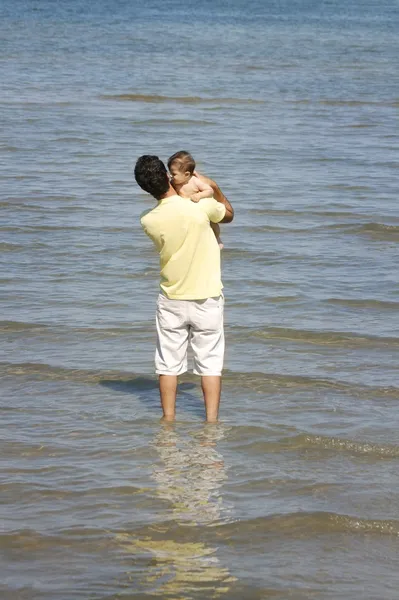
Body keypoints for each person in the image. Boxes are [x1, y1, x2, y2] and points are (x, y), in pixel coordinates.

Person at [134, 155, 234, 422]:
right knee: (210, 365)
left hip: (171, 298)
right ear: (169, 176)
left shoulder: (147, 219)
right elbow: (228, 215)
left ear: (145, 188)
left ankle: (168, 421)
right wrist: (213, 186)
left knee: (168, 365)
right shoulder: (198, 206)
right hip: (207, 296)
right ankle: (211, 422)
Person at [167, 150, 223, 248]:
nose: (171, 176)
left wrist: (199, 195)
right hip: (188, 211)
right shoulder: (174, 183)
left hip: (201, 209)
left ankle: (217, 239)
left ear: (187, 174)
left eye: (174, 174)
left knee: (212, 224)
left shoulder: (194, 181)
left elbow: (209, 190)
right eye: (170, 173)